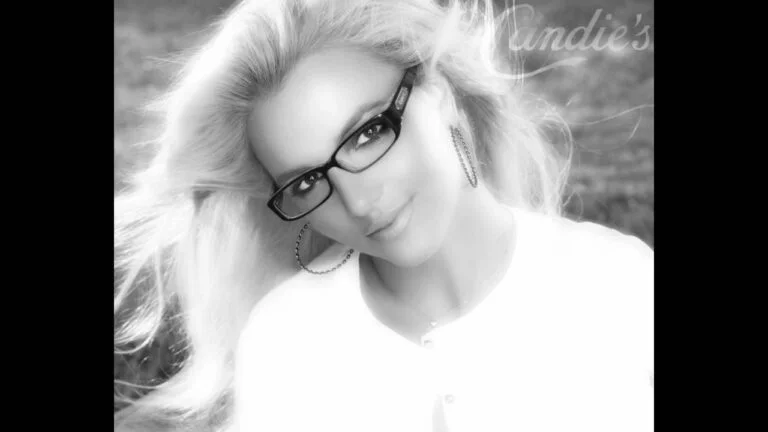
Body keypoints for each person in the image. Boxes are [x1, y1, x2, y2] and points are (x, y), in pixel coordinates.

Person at [114, 0, 654, 431]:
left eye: (368, 133)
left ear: (438, 92)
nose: (357, 201)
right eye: (308, 181)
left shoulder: (620, 286)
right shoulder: (285, 343)